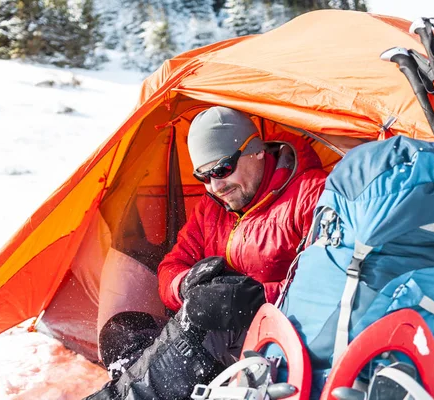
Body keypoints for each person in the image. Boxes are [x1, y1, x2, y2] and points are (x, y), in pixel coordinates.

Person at [85, 106, 327, 400]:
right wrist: (185, 284)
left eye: (222, 169)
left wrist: (257, 298)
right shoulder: (213, 205)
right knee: (123, 330)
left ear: (256, 151)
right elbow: (172, 265)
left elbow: (327, 290)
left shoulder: (311, 196)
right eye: (203, 176)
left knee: (198, 327)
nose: (215, 186)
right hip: (209, 340)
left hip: (272, 343)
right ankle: (144, 379)